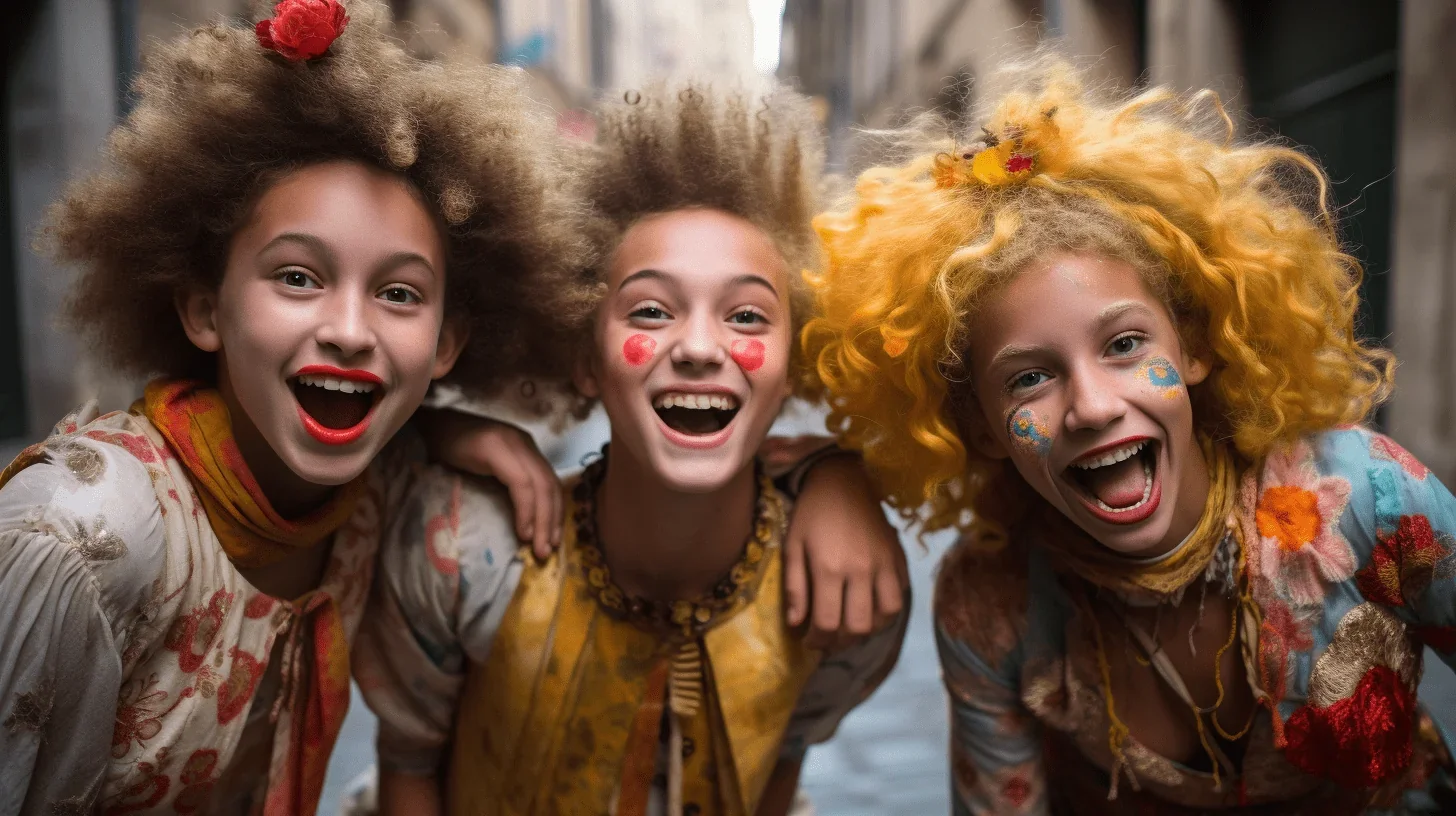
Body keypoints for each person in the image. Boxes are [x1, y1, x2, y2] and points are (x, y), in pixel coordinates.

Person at [804, 57, 1456, 813]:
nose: (1091, 407)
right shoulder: (990, 604)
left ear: (1195, 348)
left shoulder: (1368, 496)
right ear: (981, 427)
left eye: (1123, 345)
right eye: (1029, 378)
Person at [0, 1, 589, 812]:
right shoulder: (83, 540)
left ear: (446, 344)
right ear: (205, 308)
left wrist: (446, 429)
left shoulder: (381, 493)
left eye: (398, 293)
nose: (348, 330)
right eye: (297, 277)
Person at [354, 82, 909, 816]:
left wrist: (839, 471)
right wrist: (438, 430)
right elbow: (409, 766)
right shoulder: (458, 551)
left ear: (792, 366)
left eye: (747, 316)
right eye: (651, 310)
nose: (700, 347)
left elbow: (778, 769)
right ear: (585, 359)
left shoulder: (841, 591)